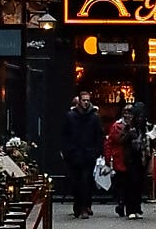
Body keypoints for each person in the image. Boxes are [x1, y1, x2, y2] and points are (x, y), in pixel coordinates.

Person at [62, 90, 104, 219]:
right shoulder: (70, 116)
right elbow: (65, 135)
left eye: (87, 100)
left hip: (88, 155)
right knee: (75, 182)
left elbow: (99, 135)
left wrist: (96, 152)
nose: (86, 102)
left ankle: (84, 207)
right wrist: (67, 151)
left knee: (85, 182)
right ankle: (78, 206)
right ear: (79, 101)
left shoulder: (94, 117)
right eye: (83, 100)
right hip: (74, 155)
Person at [105, 105, 134, 217]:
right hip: (120, 157)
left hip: (131, 158)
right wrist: (108, 158)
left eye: (130, 113)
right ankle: (121, 203)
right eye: (126, 113)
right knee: (121, 182)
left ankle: (126, 204)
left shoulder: (135, 125)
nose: (128, 116)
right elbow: (112, 141)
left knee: (129, 182)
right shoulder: (116, 126)